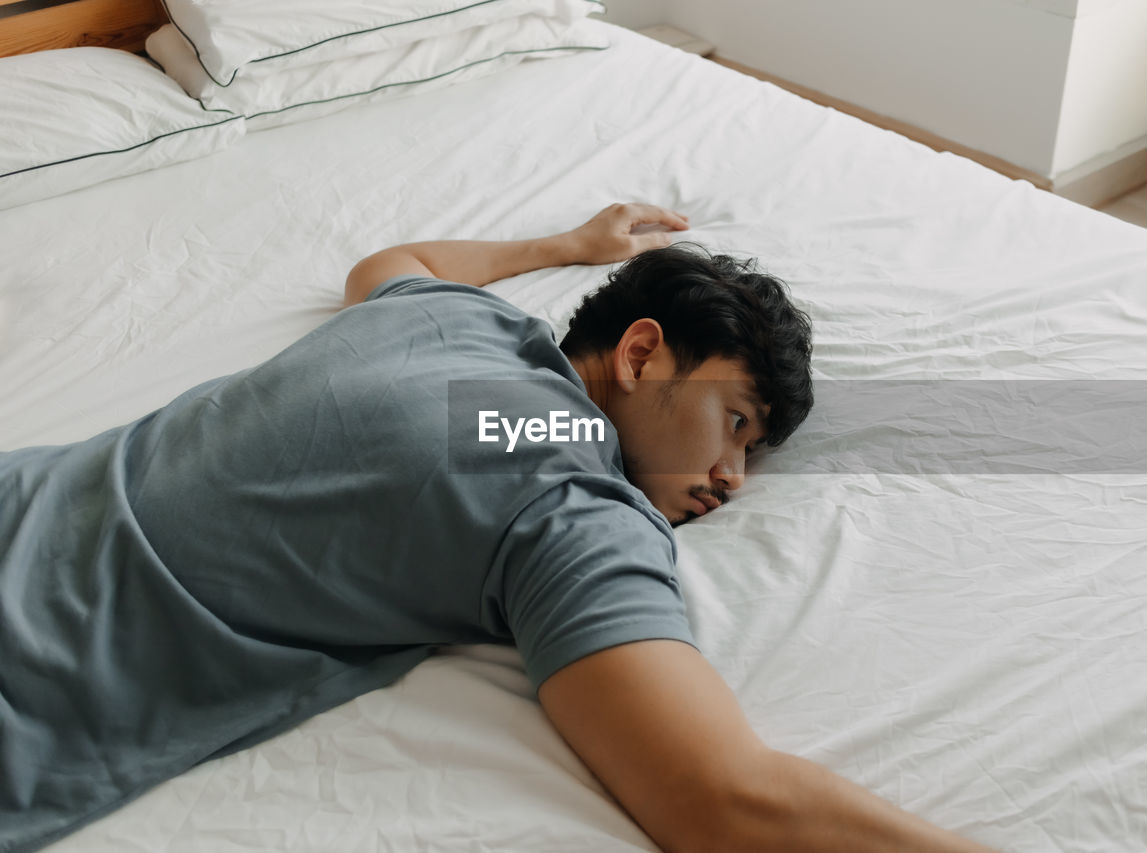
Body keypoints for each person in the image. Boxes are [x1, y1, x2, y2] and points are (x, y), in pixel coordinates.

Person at [0, 203, 994, 853]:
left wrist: (566, 248)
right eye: (734, 423)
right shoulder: (567, 510)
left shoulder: (451, 321)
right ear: (641, 353)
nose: (730, 479)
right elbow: (724, 798)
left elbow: (389, 258)